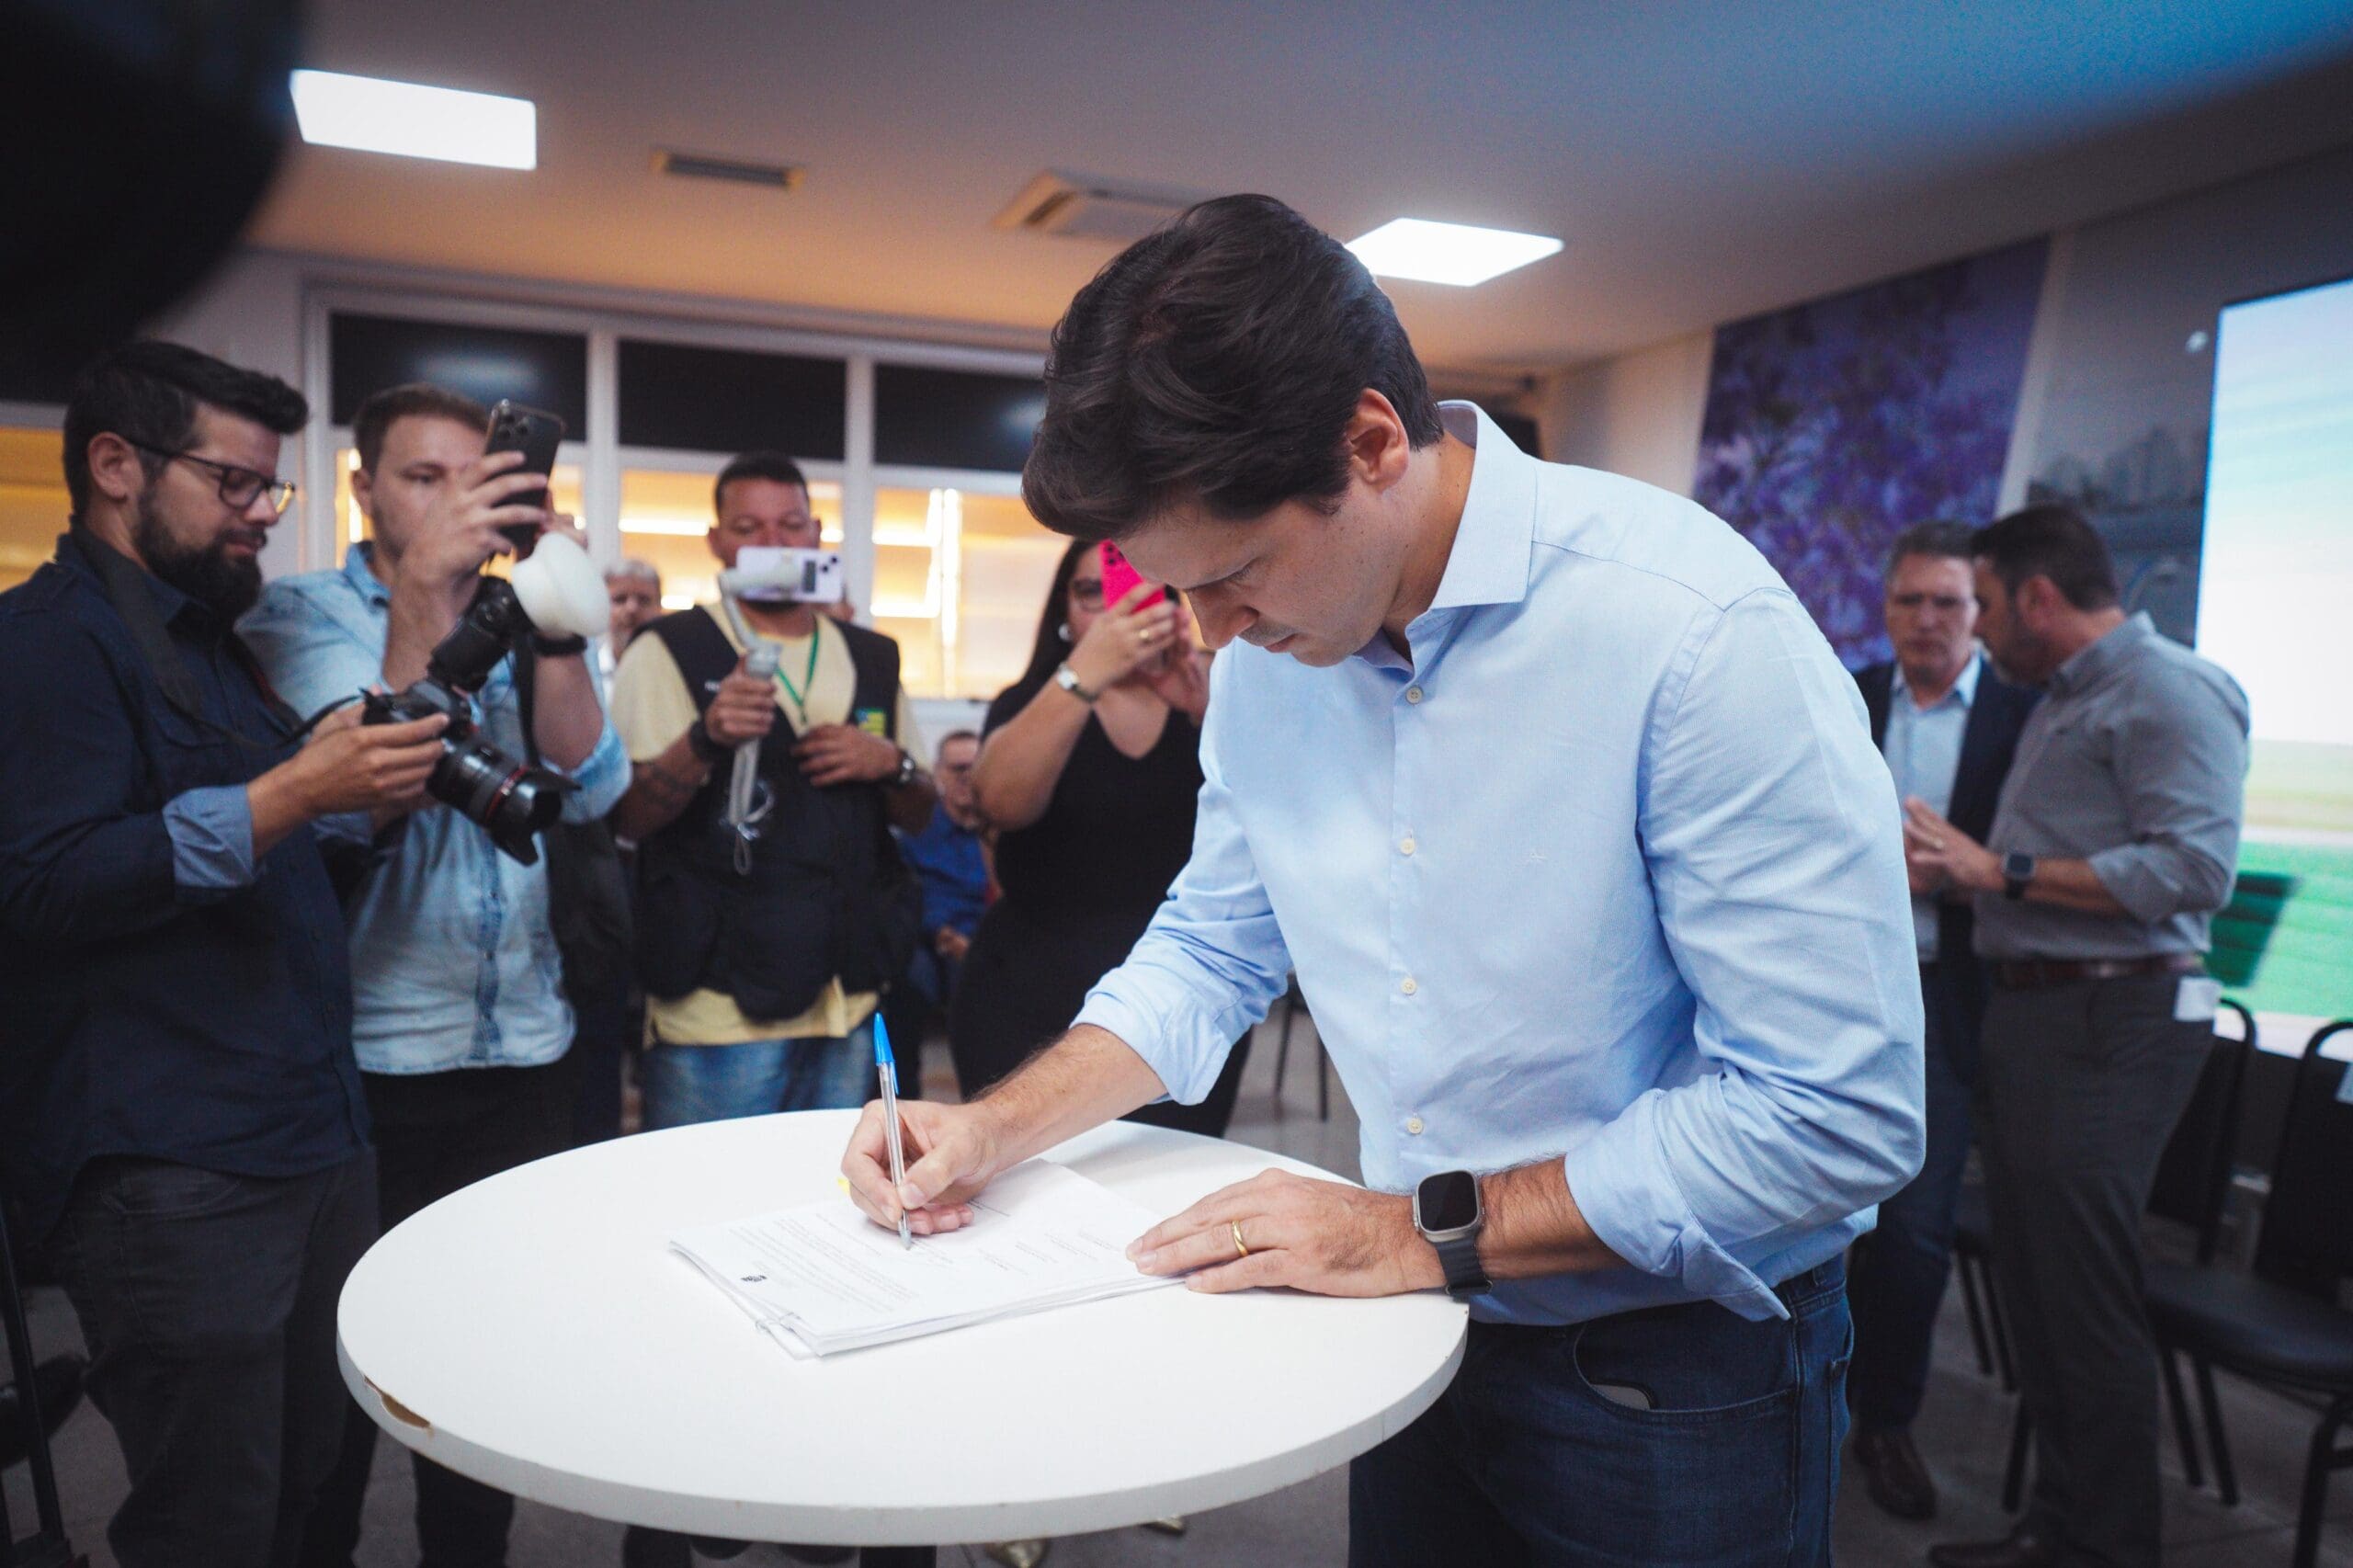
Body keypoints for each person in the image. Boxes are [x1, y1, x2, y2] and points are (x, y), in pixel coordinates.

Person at [840, 195, 1923, 1568]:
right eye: (1181, 594)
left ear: (1369, 443)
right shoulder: (1275, 648)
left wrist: (1416, 1231)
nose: (1212, 634)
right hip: (1410, 1318)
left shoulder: (1692, 631)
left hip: (1673, 1366)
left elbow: (1834, 1112)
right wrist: (995, 1128)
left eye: (1234, 574)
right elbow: (1212, 951)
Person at [0, 341, 449, 1568]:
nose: (260, 512)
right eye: (234, 483)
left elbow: (268, 854)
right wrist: (296, 790)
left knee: (307, 1479)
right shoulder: (44, 642)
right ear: (116, 466)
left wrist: (348, 798)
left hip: (306, 1130)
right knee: (210, 1519)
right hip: (176, 1167)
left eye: (271, 486)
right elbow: (43, 882)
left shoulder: (214, 646)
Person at [240, 381, 631, 1568]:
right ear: (365, 489)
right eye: (425, 478)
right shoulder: (298, 612)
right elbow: (371, 776)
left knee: (482, 1375)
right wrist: (426, 590)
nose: (459, 500)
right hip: (368, 1058)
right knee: (338, 1389)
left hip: (523, 1046)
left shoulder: (526, 600)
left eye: (478, 477)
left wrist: (554, 614)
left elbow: (592, 789)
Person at [1908, 505, 2248, 1568]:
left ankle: (2103, 1547)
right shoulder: (2067, 696)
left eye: (1984, 603)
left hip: (2111, 1018)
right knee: (2042, 1294)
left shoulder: (2167, 689)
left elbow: (2196, 872)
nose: (1975, 626)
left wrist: (1995, 869)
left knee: (2081, 1304)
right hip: (2042, 1012)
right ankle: (2058, 1530)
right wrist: (1961, 872)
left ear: (2037, 596)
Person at [608, 450, 935, 1130]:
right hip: (716, 1010)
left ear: (816, 535)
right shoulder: (667, 647)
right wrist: (705, 738)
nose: (774, 544)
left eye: (790, 525)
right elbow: (628, 818)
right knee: (707, 1183)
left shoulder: (872, 655)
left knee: (833, 1183)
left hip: (847, 997)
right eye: (748, 528)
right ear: (716, 542)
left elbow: (921, 811)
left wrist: (891, 763)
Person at [1845, 521, 2038, 1522]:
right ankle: (1802, 1397)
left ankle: (1884, 1422)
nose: (1927, 619)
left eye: (1947, 602)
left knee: (1914, 1234)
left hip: (1949, 997)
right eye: (1909, 600)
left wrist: (1965, 872)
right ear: (1885, 608)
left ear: (1979, 611)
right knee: (1801, 1215)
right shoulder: (1845, 695)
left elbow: (2034, 862)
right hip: (1836, 990)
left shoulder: (2025, 715)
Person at [950, 540, 1252, 1135]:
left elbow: (1269, 829)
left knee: (1174, 1175)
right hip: (1028, 992)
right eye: (1092, 592)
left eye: (1138, 588)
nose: (1116, 608)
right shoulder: (1031, 700)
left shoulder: (1214, 692)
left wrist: (1206, 712)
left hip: (1183, 997)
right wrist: (1082, 676)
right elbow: (998, 804)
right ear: (1063, 611)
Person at [884, 728, 990, 1066]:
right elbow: (909, 894)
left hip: (989, 938)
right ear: (939, 773)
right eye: (957, 768)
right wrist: (945, 935)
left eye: (974, 767)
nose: (966, 777)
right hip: (932, 938)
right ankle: (902, 1088)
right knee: (907, 982)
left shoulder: (1002, 826)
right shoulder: (917, 828)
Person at [603, 557, 664, 676]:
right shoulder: (584, 674)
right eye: (620, 599)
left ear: (659, 608)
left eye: (643, 600)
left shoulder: (676, 675)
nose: (632, 609)